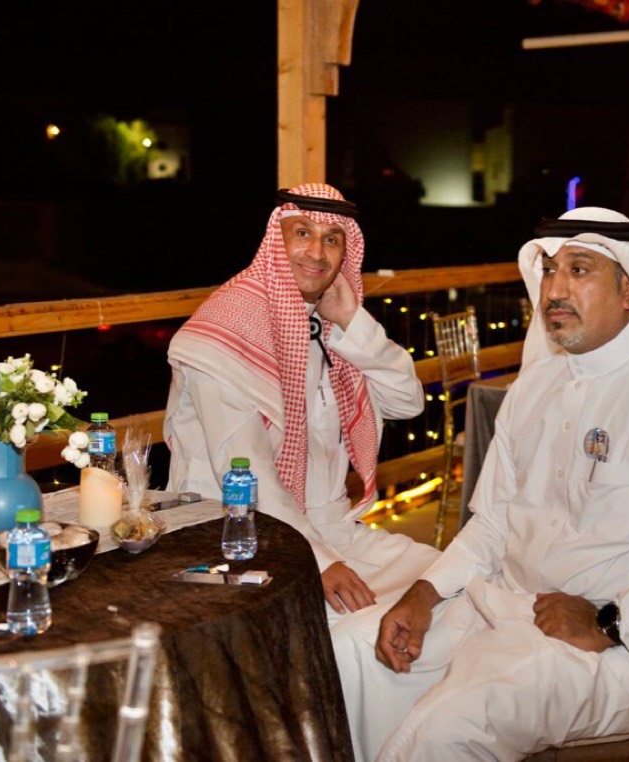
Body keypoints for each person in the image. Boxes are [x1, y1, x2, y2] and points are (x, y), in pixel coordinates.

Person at [332, 206, 629, 761]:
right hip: (504, 607)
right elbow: (492, 522)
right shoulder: (533, 387)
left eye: (579, 270)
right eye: (549, 271)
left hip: (628, 651)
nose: (555, 289)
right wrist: (423, 595)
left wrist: (611, 620)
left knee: (454, 725)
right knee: (352, 657)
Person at [164, 183, 440, 617]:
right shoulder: (226, 331)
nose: (316, 252)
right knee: (373, 627)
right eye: (303, 233)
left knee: (447, 582)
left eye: (332, 239)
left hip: (332, 530)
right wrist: (320, 561)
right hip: (238, 539)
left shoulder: (327, 327)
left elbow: (407, 403)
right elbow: (245, 470)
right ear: (276, 241)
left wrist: (352, 319)